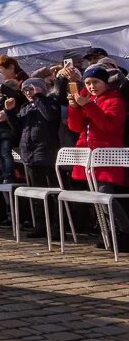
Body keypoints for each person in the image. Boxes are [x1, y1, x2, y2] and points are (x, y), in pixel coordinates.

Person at [66, 65, 128, 241]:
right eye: (88, 83)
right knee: (97, 195)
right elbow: (75, 126)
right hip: (89, 155)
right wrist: (75, 108)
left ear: (105, 83)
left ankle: (124, 230)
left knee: (104, 193)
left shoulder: (115, 100)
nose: (92, 86)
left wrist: (88, 107)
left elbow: (110, 126)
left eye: (96, 82)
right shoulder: (88, 98)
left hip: (107, 154)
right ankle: (109, 233)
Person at [7, 76, 60, 238]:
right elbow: (18, 129)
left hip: (46, 153)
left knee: (51, 192)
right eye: (25, 90)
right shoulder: (25, 107)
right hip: (29, 154)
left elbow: (50, 116)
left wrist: (38, 97)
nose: (28, 92)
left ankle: (56, 226)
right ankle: (41, 225)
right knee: (36, 192)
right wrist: (10, 113)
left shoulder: (49, 102)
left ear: (41, 89)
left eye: (31, 89)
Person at [0, 56, 28, 182]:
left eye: (0, 69)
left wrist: (7, 112)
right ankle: (4, 174)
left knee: (5, 153)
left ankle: (9, 174)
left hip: (9, 130)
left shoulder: (17, 86)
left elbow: (18, 99)